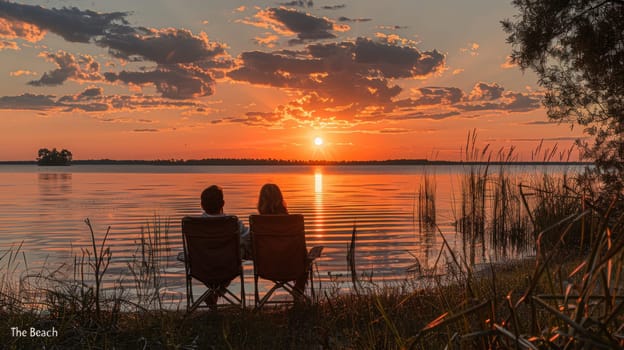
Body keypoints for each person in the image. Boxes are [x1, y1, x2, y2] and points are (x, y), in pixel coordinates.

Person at [256, 183, 308, 295]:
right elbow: (301, 248)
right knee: (306, 256)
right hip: (293, 267)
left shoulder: (258, 222)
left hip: (266, 268)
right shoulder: (293, 222)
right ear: (280, 199)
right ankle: (298, 291)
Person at [201, 185, 251, 260]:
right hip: (229, 267)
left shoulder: (194, 225)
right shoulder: (233, 223)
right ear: (223, 203)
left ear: (202, 206)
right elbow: (249, 235)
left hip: (202, 268)